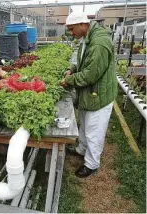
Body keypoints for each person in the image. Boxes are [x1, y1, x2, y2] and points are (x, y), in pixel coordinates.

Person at [61, 12, 117, 178]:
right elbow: (84, 62)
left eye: (72, 29)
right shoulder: (88, 37)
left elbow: (91, 74)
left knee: (95, 130)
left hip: (98, 94)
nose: (72, 33)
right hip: (91, 93)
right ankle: (81, 150)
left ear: (82, 24)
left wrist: (69, 80)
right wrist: (72, 69)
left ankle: (91, 164)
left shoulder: (99, 42)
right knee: (85, 124)